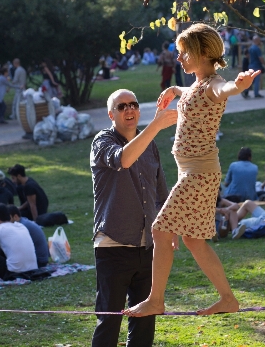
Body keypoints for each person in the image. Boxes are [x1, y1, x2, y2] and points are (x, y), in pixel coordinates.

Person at [124, 24, 260, 318]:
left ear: (203, 53)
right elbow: (192, 92)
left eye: (184, 53)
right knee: (193, 239)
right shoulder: (198, 85)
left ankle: (155, 300)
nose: (180, 58)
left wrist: (239, 85)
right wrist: (174, 90)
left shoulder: (214, 84)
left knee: (161, 230)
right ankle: (227, 299)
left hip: (199, 174)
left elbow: (223, 90)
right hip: (195, 173)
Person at [90, 88, 175, 347]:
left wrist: (169, 230)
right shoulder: (102, 141)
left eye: (134, 104)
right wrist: (156, 125)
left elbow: (161, 195)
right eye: (122, 106)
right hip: (113, 246)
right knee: (109, 324)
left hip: (148, 248)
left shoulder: (150, 145)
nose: (129, 109)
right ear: (111, 114)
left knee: (145, 323)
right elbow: (123, 159)